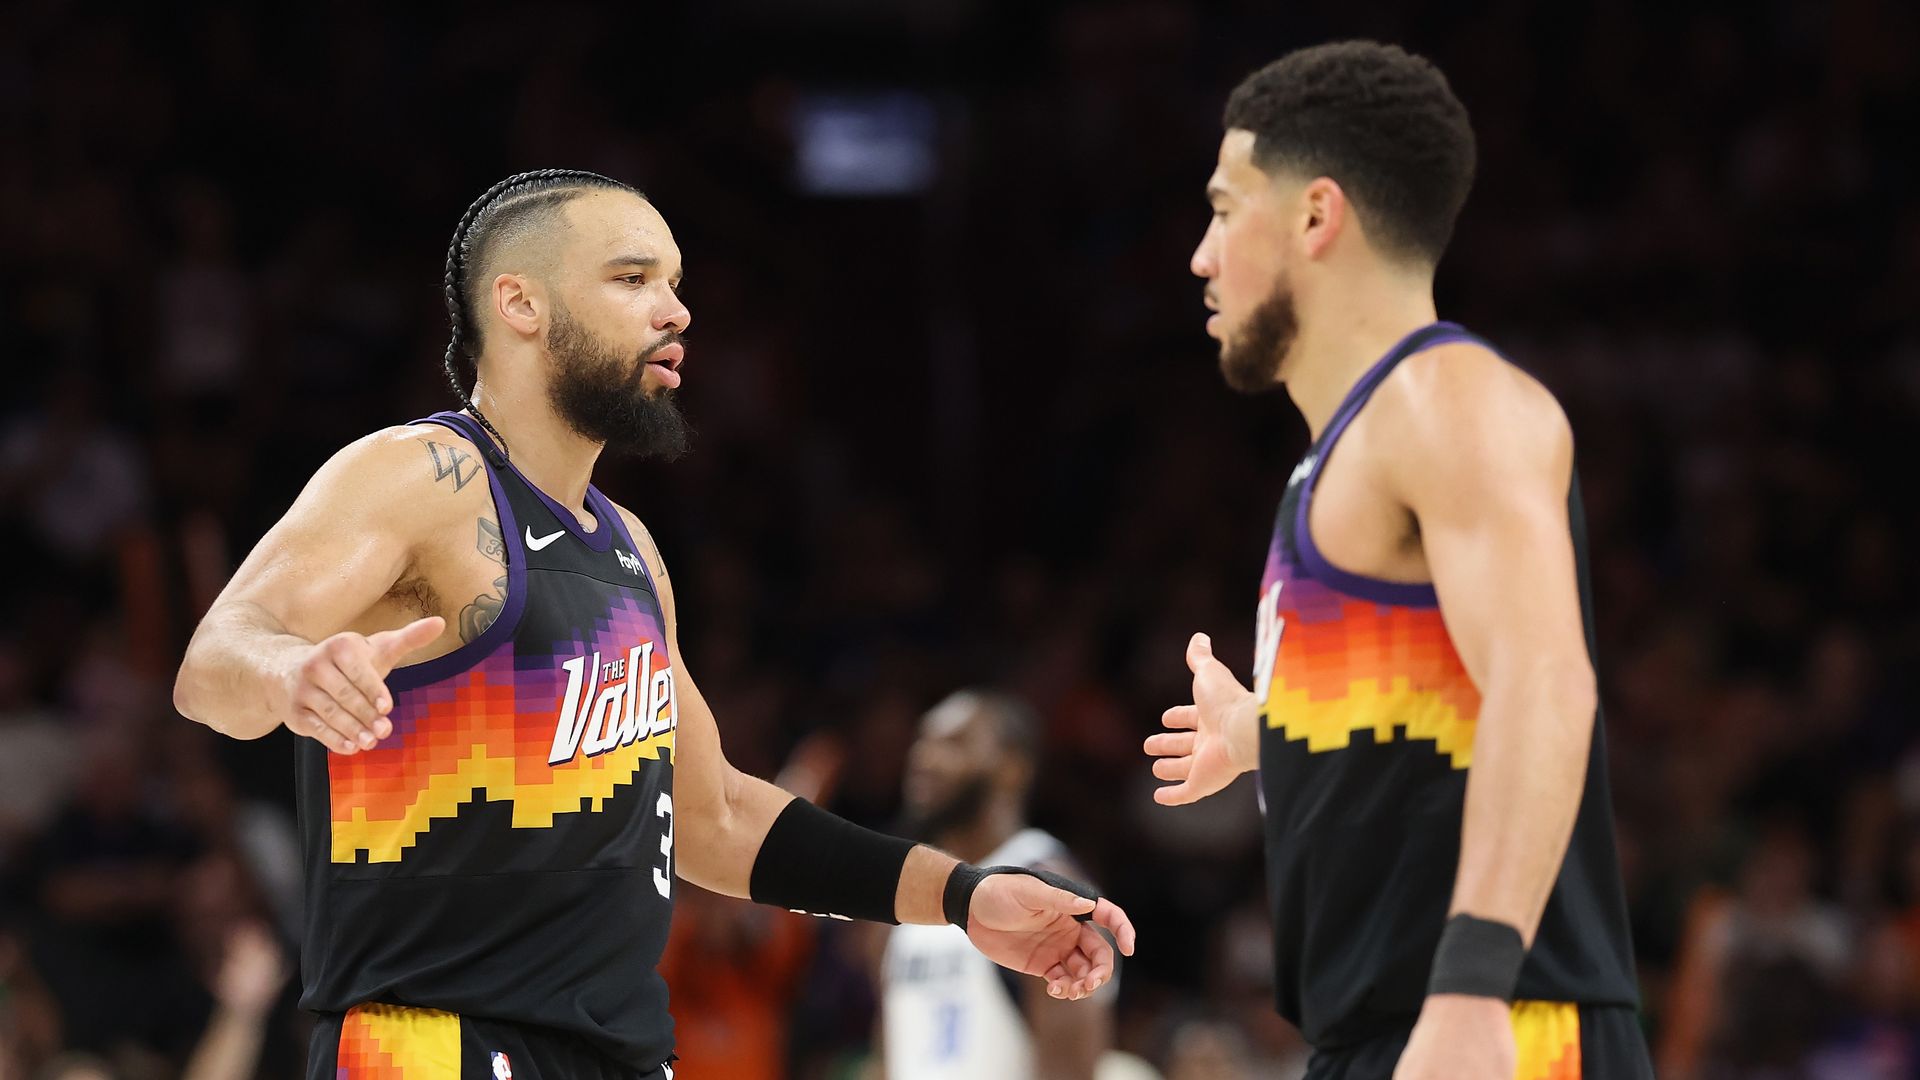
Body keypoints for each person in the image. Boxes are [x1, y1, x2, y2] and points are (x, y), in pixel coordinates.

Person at [173, 169, 1134, 1080]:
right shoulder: (420, 477)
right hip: (435, 1044)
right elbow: (215, 658)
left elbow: (713, 816)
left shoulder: (629, 549)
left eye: (675, 284)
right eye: (633, 279)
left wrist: (962, 898)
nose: (675, 312)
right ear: (521, 304)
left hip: (618, 1054)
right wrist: (289, 676)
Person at [1145, 42, 1650, 1079]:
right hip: (1382, 1034)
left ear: (1317, 216)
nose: (1201, 255)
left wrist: (1470, 990)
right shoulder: (1338, 460)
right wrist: (1259, 732)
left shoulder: (1447, 398)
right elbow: (1430, 718)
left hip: (1500, 1021)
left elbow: (1545, 682)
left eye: (1226, 210)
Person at [881, 690, 1114, 1079]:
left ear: (1012, 768)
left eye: (954, 744)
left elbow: (1070, 1064)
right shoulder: (907, 890)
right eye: (922, 742)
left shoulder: (1048, 886)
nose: (924, 758)